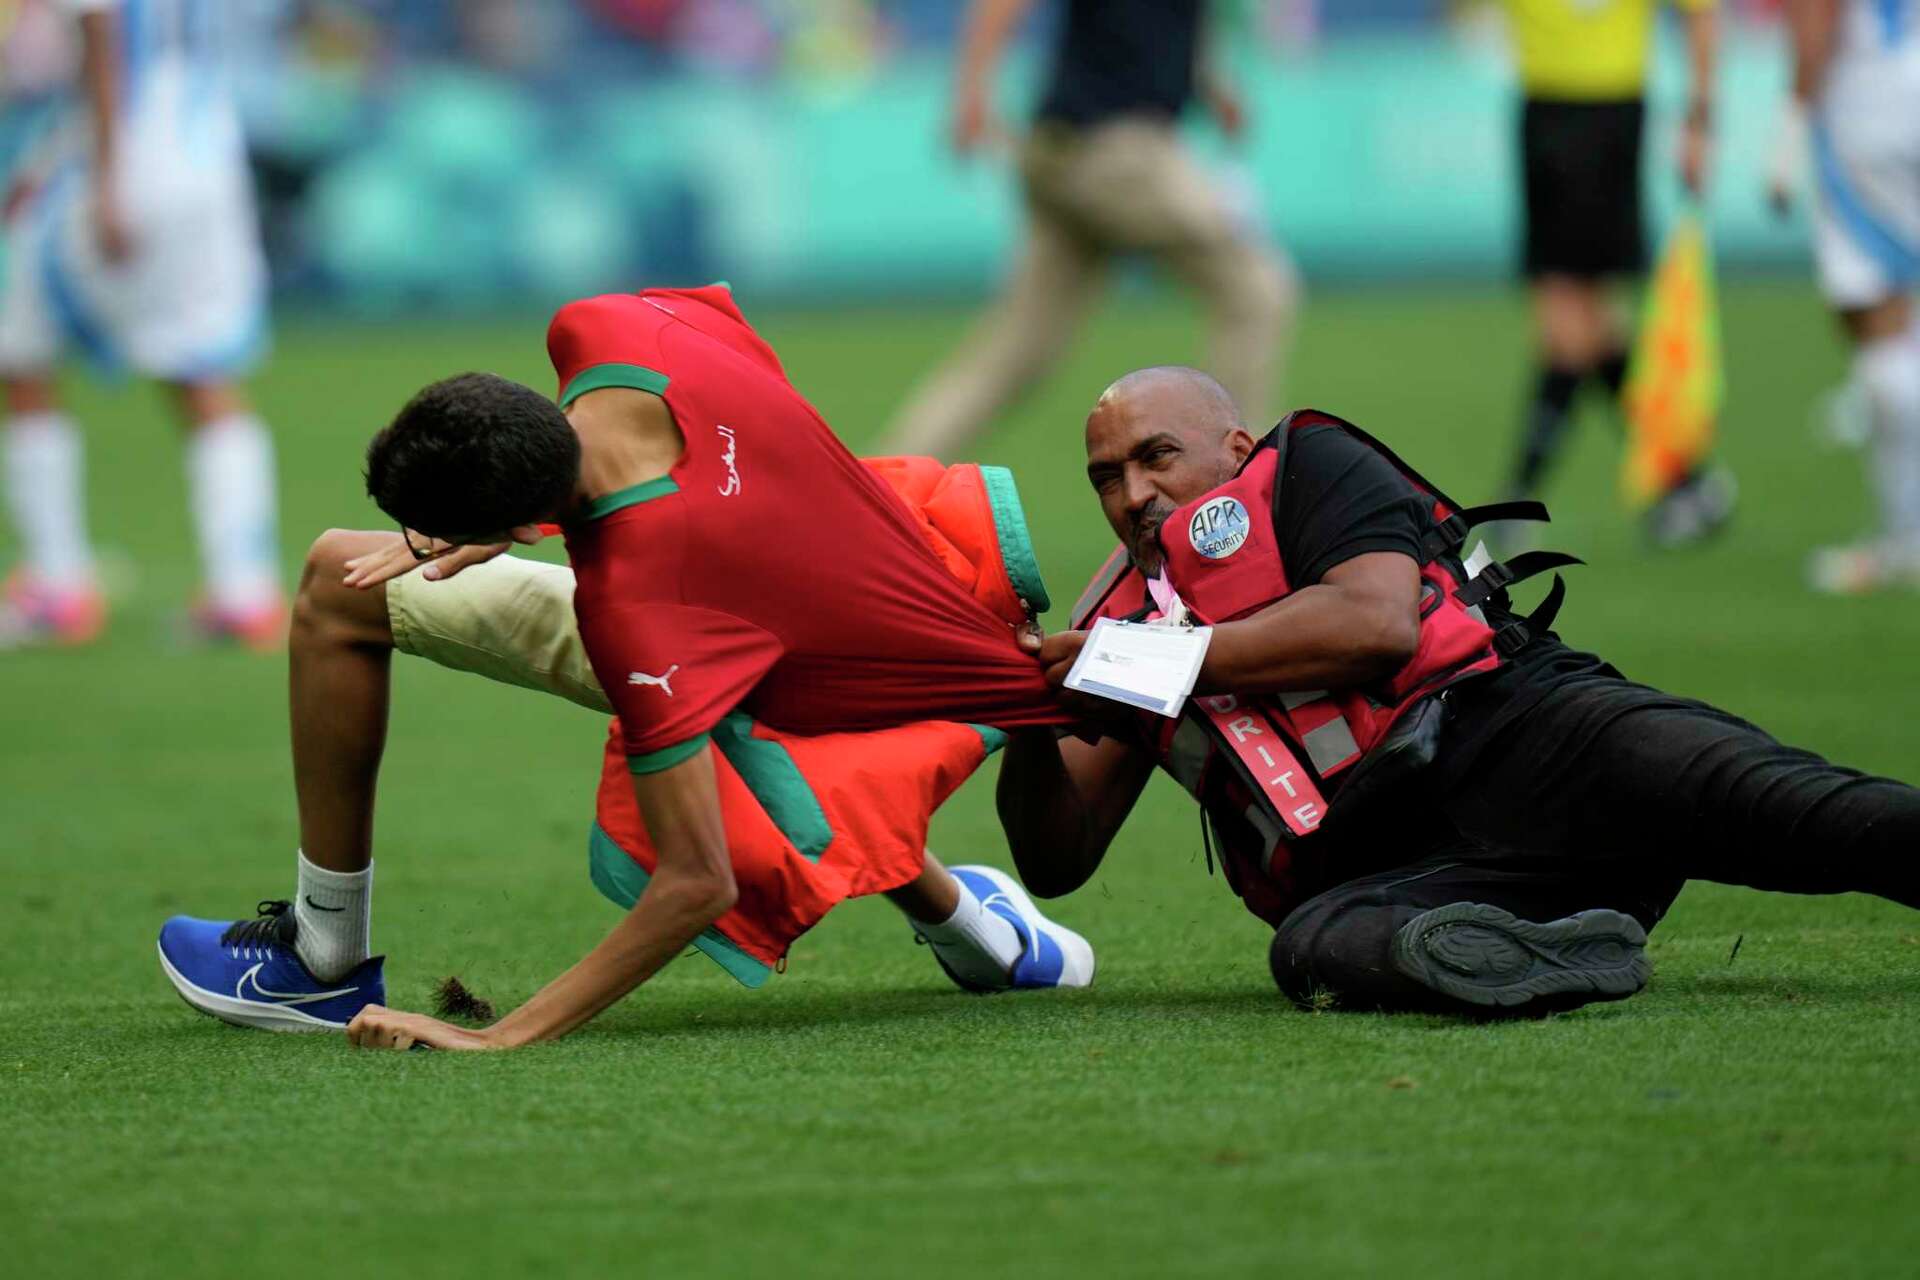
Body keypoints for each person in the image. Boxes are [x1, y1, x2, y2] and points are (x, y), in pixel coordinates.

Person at [156, 285, 1093, 1052]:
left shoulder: (643, 612)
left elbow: (698, 882)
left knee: (736, 742)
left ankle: (321, 958)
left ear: (521, 528)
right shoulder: (608, 326)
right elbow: (738, 396)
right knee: (344, 577)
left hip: (879, 690)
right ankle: (979, 932)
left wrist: (498, 1037)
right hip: (918, 567)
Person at [998, 366, 1920, 1016]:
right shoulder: (1116, 627)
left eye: (1157, 456)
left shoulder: (1308, 469)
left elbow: (1376, 624)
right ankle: (1563, 954)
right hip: (1415, 870)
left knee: (1806, 812)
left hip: (1530, 734)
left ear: (1234, 446)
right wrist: (1028, 712)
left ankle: (1549, 945)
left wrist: (1139, 664)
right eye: (1106, 478)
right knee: (1312, 949)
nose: (1134, 493)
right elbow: (1058, 858)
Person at [879, 0, 1293, 461]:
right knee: (1256, 290)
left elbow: (1163, 25)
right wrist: (970, 92)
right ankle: (1239, 488)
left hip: (1059, 148)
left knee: (1015, 351)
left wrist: (1212, 88)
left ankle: (885, 479)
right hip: (1119, 153)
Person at [0, 0, 284, 647]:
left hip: (123, 157)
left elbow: (96, 31)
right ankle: (245, 589)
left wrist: (107, 178)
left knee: (21, 357)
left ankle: (56, 585)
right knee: (202, 372)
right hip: (205, 149)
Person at [1500, 0, 1734, 547]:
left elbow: (1700, 14)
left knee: (1567, 325)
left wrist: (1700, 120)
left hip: (1608, 112)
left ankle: (1520, 497)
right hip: (1543, 112)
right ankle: (1686, 478)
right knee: (1590, 328)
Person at [1769, 0, 1920, 593]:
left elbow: (1817, 14)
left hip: (1870, 107)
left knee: (1875, 319)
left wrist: (1788, 128)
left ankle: (1905, 538)